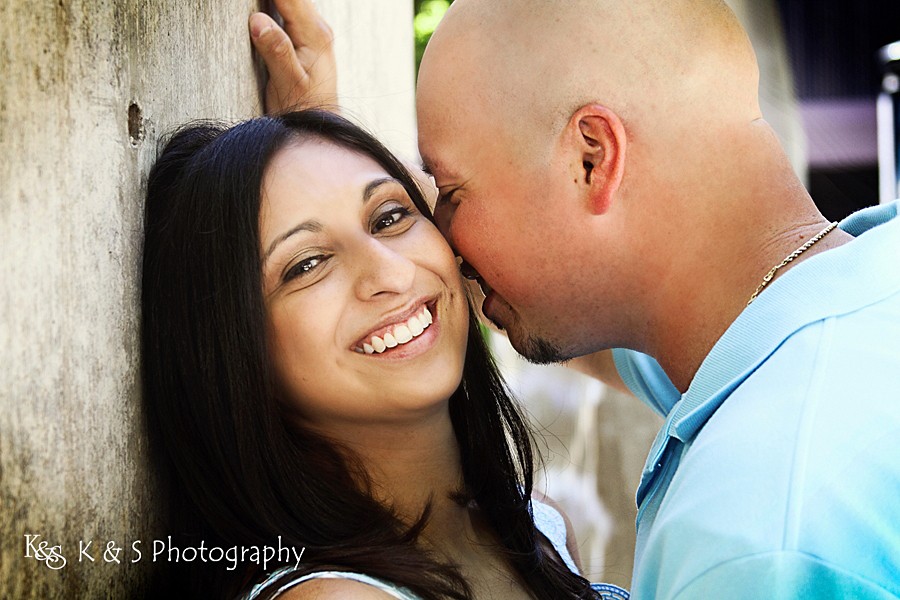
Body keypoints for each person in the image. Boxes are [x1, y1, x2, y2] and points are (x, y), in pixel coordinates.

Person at [251, 0, 900, 598]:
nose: (442, 242)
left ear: (591, 159)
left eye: (451, 193)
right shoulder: (844, 308)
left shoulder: (756, 543)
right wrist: (330, 169)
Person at [141, 108, 633, 600]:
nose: (392, 273)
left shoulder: (541, 529)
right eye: (307, 264)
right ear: (232, 349)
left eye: (389, 217)